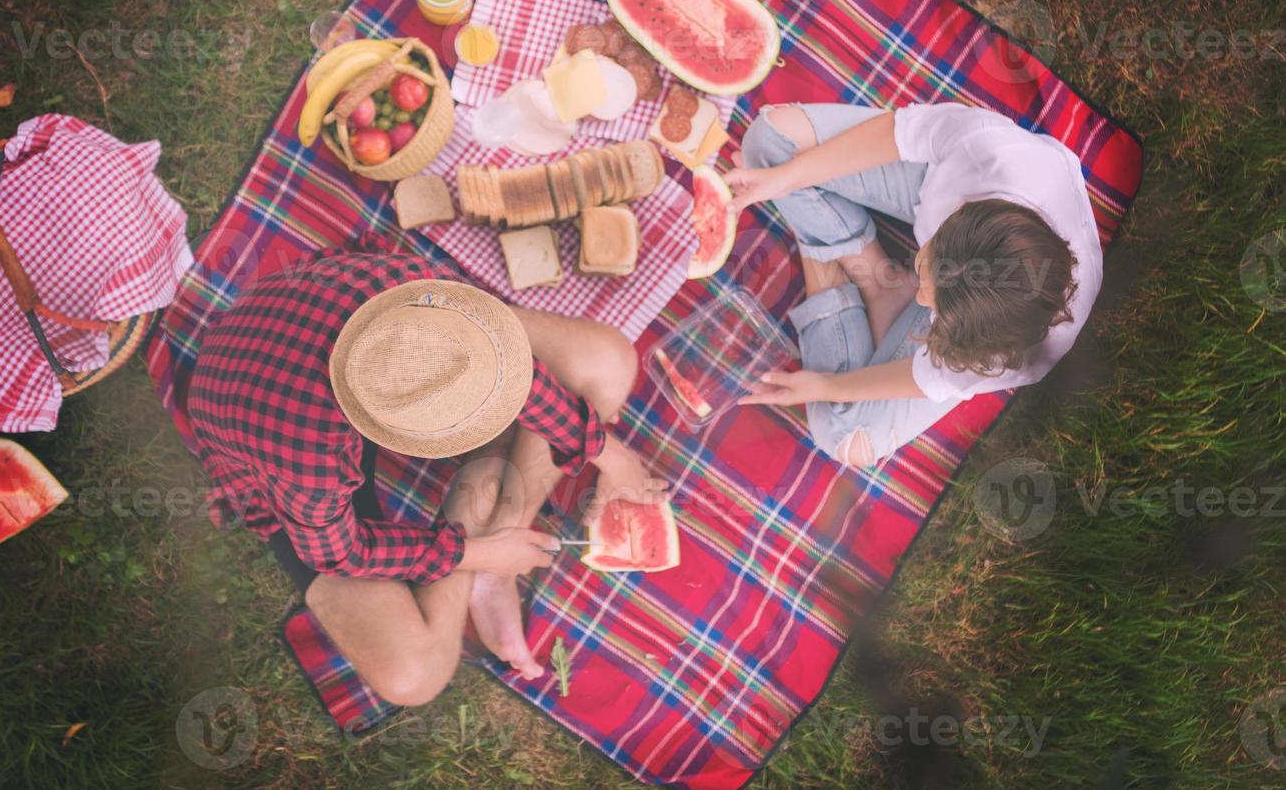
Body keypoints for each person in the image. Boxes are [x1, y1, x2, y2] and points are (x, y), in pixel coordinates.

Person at [186, 245, 664, 706]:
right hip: (263, 438)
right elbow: (340, 552)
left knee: (609, 362)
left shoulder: (425, 298)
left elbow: (516, 373)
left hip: (318, 329)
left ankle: (500, 529)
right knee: (414, 676)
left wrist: (606, 452)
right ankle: (479, 554)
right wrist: (475, 553)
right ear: (399, 436)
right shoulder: (311, 466)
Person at [726, 102, 1101, 468]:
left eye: (929, 305)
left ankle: (831, 263)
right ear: (960, 214)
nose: (922, 298)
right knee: (768, 143)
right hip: (936, 181)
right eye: (923, 265)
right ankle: (870, 277)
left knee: (842, 437)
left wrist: (826, 387)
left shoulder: (1011, 352)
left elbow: (926, 377)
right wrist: (785, 178)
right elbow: (897, 132)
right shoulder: (987, 152)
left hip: (972, 318)